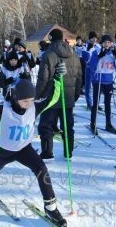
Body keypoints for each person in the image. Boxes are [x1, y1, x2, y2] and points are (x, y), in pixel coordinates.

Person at [0, 67, 67, 226]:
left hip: (24, 149)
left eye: (31, 100)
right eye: (25, 101)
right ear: (16, 98)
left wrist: (58, 79)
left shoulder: (34, 107)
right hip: (3, 151)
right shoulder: (2, 109)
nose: (28, 104)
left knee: (41, 168)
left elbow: (53, 99)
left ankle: (51, 207)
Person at [36, 29, 82, 160]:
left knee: (46, 125)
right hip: (68, 97)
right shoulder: (74, 54)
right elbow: (79, 77)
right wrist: (75, 95)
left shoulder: (48, 54)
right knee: (67, 126)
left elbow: (43, 79)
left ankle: (47, 152)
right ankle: (68, 153)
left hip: (51, 97)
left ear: (51, 39)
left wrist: (38, 96)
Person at [86, 34, 116, 134]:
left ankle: (108, 124)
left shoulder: (112, 53)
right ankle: (93, 123)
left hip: (108, 81)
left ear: (111, 43)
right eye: (105, 42)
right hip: (98, 80)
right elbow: (91, 66)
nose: (107, 44)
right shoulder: (96, 51)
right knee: (96, 103)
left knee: (108, 104)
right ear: (102, 43)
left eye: (109, 42)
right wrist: (99, 56)